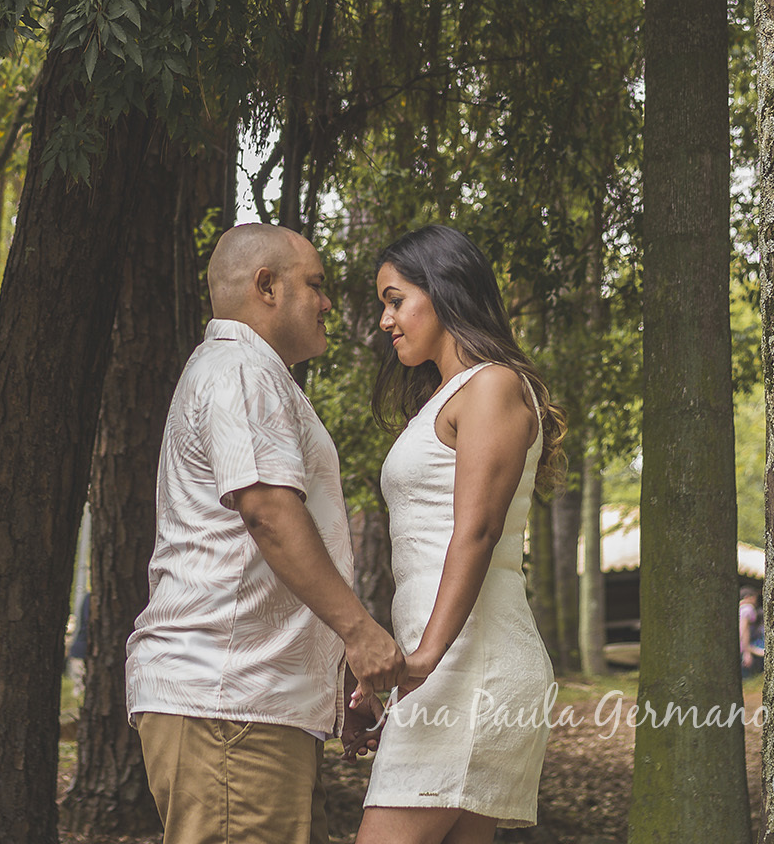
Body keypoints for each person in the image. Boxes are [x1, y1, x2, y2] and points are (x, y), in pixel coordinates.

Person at [126, 222, 403, 844]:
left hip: (250, 704)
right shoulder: (241, 368)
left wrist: (333, 678)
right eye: (316, 285)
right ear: (267, 287)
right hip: (229, 704)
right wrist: (359, 633)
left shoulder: (247, 371)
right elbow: (268, 514)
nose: (328, 303)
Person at [354, 225, 566, 844]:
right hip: (448, 662)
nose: (386, 321)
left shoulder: (492, 385)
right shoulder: (446, 397)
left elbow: (477, 530)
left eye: (396, 300)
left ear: (443, 290)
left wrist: (424, 659)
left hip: (470, 665)